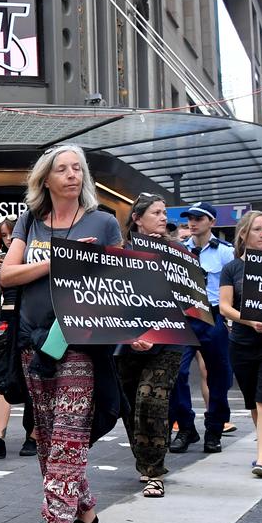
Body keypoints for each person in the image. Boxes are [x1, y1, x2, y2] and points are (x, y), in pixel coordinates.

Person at [0, 145, 122, 523]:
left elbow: (119, 284)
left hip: (79, 344)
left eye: (78, 169)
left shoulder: (104, 222)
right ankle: (85, 516)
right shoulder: (30, 223)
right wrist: (58, 260)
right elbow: (6, 276)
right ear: (45, 180)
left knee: (68, 438)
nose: (72, 175)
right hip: (34, 344)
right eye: (62, 169)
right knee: (49, 439)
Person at [114, 194, 185, 497]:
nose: (162, 217)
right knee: (131, 404)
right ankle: (143, 462)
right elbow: (110, 297)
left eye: (164, 212)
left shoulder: (177, 253)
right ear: (137, 218)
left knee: (151, 400)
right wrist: (131, 334)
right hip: (128, 341)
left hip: (167, 339)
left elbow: (187, 299)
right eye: (155, 212)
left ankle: (155, 471)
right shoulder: (119, 252)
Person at [219, 211, 262, 478]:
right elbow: (225, 306)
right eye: (258, 229)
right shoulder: (232, 268)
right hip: (243, 341)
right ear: (244, 234)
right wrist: (250, 321)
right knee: (253, 400)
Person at [169, 202, 235, 454]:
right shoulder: (179, 250)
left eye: (199, 218)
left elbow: (235, 288)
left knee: (218, 375)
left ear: (212, 222)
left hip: (213, 316)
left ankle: (214, 430)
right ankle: (186, 426)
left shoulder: (225, 253)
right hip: (185, 316)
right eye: (189, 218)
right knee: (176, 372)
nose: (192, 222)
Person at [0, 218, 37, 458]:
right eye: (3, 235)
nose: (8, 238)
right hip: (7, 319)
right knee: (1, 376)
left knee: (33, 377)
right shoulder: (2, 259)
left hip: (29, 320)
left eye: (11, 234)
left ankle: (32, 436)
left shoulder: (32, 255)